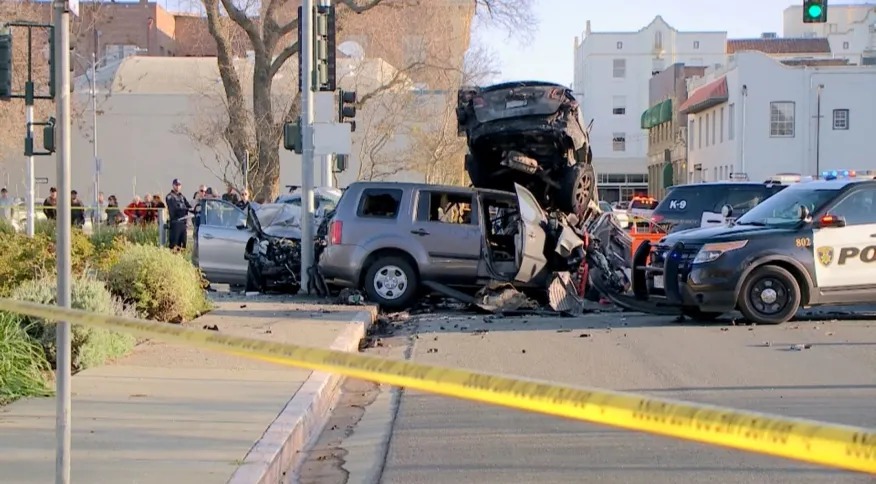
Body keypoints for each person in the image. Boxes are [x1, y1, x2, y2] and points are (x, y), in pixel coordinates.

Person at [166, 179, 192, 250]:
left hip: (183, 223)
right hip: (175, 223)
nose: (177, 186)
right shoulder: (170, 196)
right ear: (173, 185)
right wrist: (186, 209)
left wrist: (196, 209)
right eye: (176, 185)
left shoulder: (182, 196)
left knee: (183, 245)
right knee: (174, 245)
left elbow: (189, 206)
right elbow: (174, 209)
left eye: (179, 185)